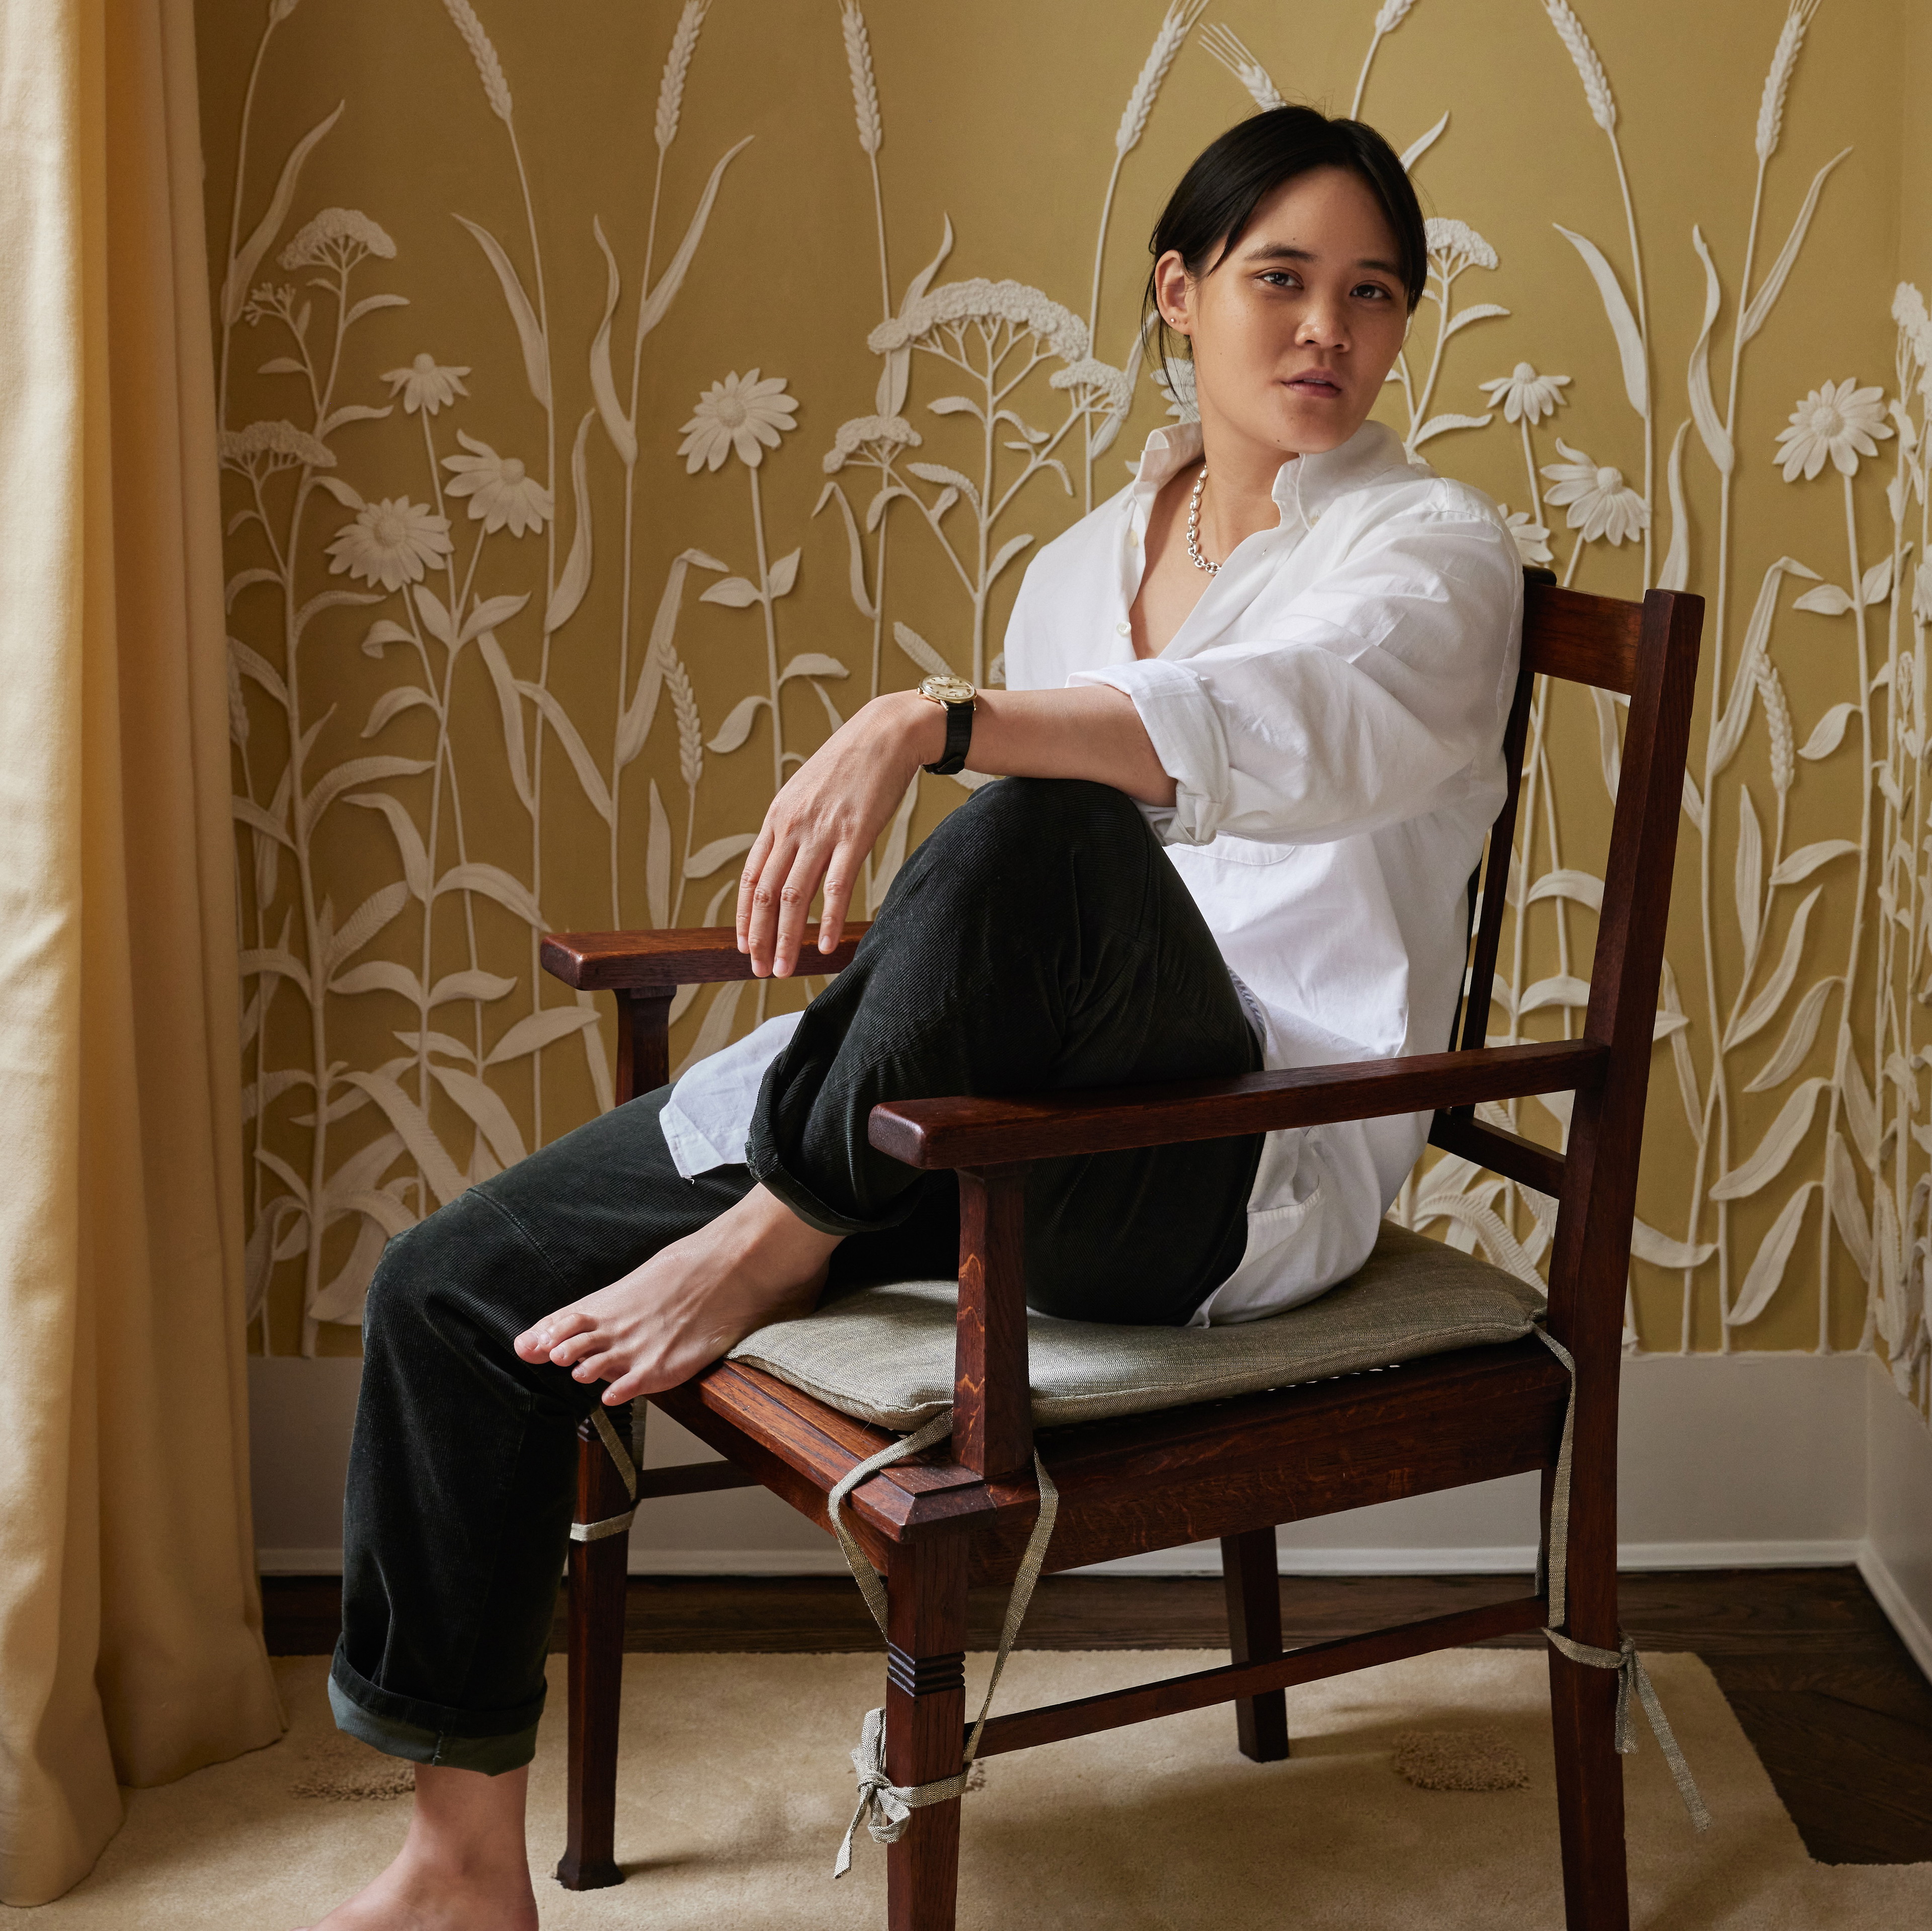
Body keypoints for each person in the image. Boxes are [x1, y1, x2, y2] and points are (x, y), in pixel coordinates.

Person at [301, 104, 1521, 1931]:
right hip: (981, 1119)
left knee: (1034, 816)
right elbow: (999, 931)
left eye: (1371, 294)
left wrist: (926, 721)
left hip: (1214, 1168)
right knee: (448, 1287)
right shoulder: (1079, 559)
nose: (1324, 333)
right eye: (1279, 281)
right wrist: (952, 740)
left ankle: (779, 1233)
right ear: (1178, 295)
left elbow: (1279, 732)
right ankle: (459, 1862)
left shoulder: (1434, 551)